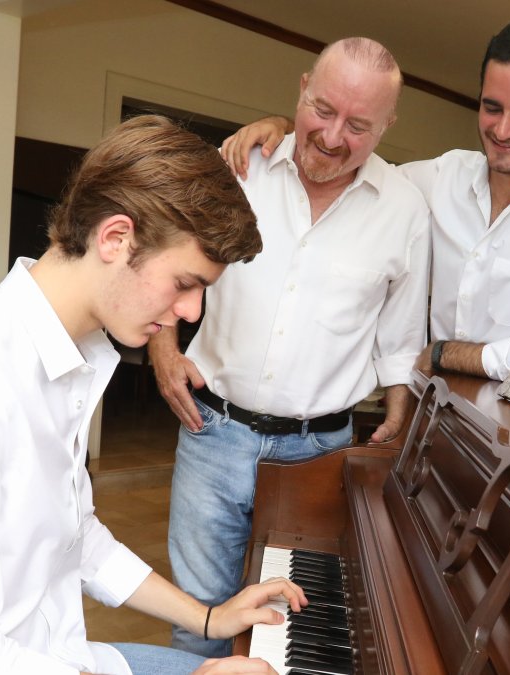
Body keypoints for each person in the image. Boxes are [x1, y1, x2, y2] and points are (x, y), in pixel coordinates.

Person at [0, 115, 306, 675]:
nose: (191, 313)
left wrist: (208, 618)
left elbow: (76, 538)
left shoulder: (70, 355)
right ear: (114, 238)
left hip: (58, 657)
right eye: (186, 284)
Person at [147, 38, 430, 657]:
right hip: (212, 432)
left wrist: (402, 411)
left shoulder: (406, 210)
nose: (332, 136)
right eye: (322, 110)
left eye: (359, 125)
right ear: (302, 89)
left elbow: (402, 334)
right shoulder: (238, 168)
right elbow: (169, 257)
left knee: (290, 623)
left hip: (319, 453)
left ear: (388, 125)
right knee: (197, 615)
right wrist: (163, 351)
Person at [222, 18, 510, 382]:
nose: (503, 129)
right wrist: (281, 128)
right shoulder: (442, 179)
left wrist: (442, 354)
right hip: (426, 434)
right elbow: (346, 159)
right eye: (491, 107)